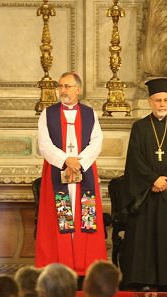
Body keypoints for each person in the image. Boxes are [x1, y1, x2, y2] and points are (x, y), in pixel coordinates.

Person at [119, 78, 167, 291]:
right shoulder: (139, 128)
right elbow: (135, 160)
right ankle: (143, 280)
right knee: (143, 238)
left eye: (165, 100)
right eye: (158, 100)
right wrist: (152, 180)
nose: (162, 104)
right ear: (150, 102)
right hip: (145, 195)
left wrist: (165, 181)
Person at [35, 71, 107, 275]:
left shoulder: (89, 113)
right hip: (59, 171)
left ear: (78, 89)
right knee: (60, 218)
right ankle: (59, 266)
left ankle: (85, 267)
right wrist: (66, 160)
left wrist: (80, 162)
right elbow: (44, 144)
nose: (63, 90)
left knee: (85, 218)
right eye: (60, 86)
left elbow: (97, 141)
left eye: (67, 86)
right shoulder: (47, 114)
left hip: (84, 172)